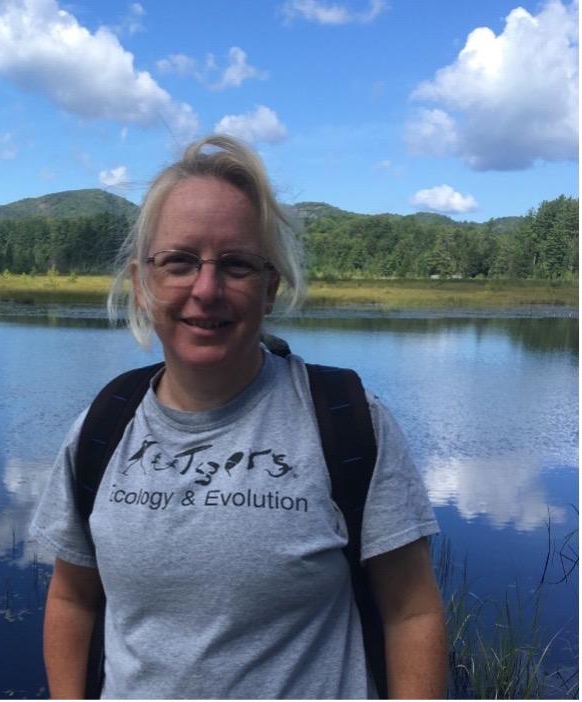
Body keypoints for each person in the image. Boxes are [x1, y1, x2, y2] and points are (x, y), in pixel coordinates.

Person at [30, 135, 447, 699]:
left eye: (236, 265)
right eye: (178, 261)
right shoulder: (101, 428)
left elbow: (410, 612)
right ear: (142, 283)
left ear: (270, 287)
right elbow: (72, 597)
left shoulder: (349, 423)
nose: (206, 289)